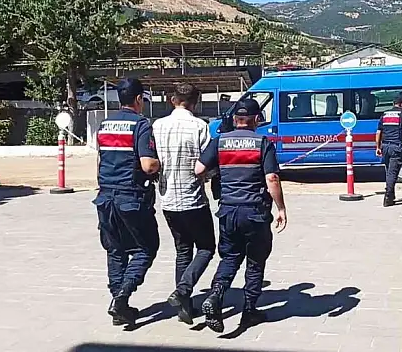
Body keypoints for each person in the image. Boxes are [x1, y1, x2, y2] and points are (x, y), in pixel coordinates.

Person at [195, 99, 288, 333]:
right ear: (256, 119)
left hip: (228, 210)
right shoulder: (262, 142)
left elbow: (199, 169)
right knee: (255, 261)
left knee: (229, 257)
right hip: (255, 212)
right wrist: (281, 208)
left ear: (235, 119)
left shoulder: (219, 141)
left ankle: (215, 296)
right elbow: (272, 178)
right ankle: (249, 311)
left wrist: (221, 173)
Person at [93, 78, 160, 327]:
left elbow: (99, 161)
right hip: (131, 197)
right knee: (146, 248)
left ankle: (118, 305)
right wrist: (160, 164)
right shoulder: (141, 125)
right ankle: (122, 297)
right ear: (139, 99)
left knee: (115, 250)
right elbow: (148, 165)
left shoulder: (105, 125)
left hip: (105, 196)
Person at [151, 83, 215, 325]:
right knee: (206, 248)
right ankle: (183, 290)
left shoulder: (157, 126)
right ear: (195, 103)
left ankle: (185, 308)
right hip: (193, 197)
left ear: (172, 100)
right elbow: (207, 163)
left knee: (183, 250)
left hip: (168, 198)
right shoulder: (200, 126)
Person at [375, 94, 402, 207]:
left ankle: (391, 195)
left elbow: (378, 132)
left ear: (393, 103)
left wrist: (378, 147)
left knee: (389, 171)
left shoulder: (385, 114)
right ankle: (388, 197)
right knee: (392, 173)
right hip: (396, 147)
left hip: (385, 146)